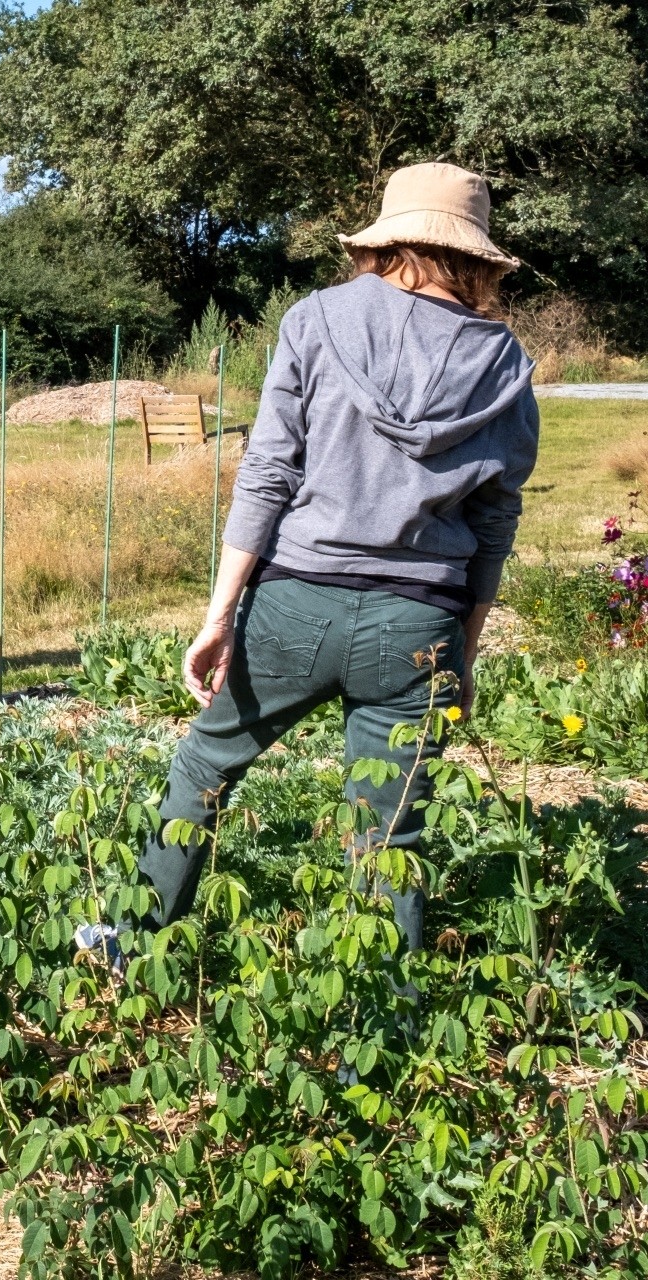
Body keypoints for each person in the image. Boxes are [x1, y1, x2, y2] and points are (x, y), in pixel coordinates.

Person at [94, 162, 538, 963]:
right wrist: (463, 651)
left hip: (298, 599)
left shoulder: (320, 318)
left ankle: (132, 942)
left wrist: (218, 615)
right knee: (389, 824)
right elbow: (496, 517)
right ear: (476, 256)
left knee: (206, 762)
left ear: (388, 239)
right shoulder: (504, 361)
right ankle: (388, 1021)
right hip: (420, 618)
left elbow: (269, 472)